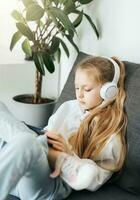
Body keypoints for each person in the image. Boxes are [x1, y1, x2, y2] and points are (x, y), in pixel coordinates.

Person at [0, 56, 127, 200]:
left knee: (27, 142)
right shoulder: (69, 107)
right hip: (19, 168)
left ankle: (62, 159)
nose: (79, 94)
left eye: (87, 89)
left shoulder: (108, 131)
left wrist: (69, 153)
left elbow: (93, 176)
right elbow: (47, 131)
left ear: (108, 91)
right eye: (77, 87)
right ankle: (52, 153)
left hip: (48, 180)